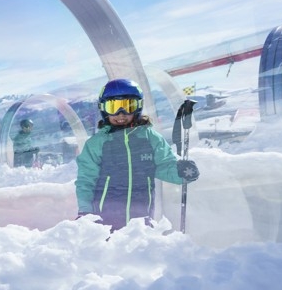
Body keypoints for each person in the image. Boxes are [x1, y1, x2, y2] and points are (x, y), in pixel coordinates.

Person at [75, 78, 200, 230]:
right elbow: (86, 180)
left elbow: (164, 166)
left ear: (138, 107)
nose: (121, 113)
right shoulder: (97, 143)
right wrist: (85, 211)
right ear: (103, 108)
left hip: (141, 219)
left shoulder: (150, 138)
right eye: (113, 106)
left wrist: (181, 173)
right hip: (105, 219)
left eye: (128, 106)